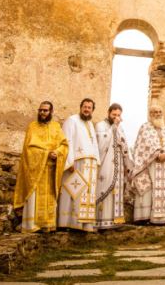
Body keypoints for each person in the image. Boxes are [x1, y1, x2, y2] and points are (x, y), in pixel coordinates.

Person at [13, 101, 69, 233]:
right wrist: (46, 153)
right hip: (35, 170)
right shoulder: (32, 126)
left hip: (50, 170)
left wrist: (58, 152)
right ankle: (32, 225)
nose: (42, 113)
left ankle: (46, 225)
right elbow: (28, 149)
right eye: (40, 110)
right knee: (34, 199)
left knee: (49, 198)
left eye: (45, 111)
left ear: (51, 112)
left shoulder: (56, 127)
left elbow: (64, 144)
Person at [57, 98, 100, 231]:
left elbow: (94, 145)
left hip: (90, 165)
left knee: (87, 195)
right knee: (74, 192)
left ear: (92, 110)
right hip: (77, 162)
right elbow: (66, 140)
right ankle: (69, 223)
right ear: (80, 107)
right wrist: (69, 161)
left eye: (89, 107)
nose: (87, 109)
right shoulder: (72, 120)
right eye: (85, 107)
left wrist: (97, 161)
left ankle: (85, 224)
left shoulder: (90, 124)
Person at [131, 104, 165, 224]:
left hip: (164, 165)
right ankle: (145, 217)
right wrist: (157, 154)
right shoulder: (145, 127)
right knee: (148, 189)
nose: (157, 114)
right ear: (150, 114)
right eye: (154, 112)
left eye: (159, 112)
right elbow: (142, 145)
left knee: (162, 190)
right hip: (150, 164)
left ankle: (163, 218)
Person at [95, 103, 133, 229]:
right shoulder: (101, 125)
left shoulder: (120, 128)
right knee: (105, 188)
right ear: (108, 113)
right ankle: (102, 222)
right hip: (106, 165)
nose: (116, 117)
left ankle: (116, 221)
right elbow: (100, 145)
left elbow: (124, 144)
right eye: (114, 114)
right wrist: (113, 128)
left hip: (119, 164)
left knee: (117, 192)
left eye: (118, 115)